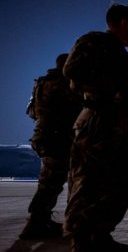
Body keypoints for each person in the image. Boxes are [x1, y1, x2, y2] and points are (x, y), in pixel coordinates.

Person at [63, 3, 128, 252]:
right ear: (124, 24)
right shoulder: (94, 43)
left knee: (122, 183)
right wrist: (120, 86)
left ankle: (101, 238)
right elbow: (73, 71)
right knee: (88, 185)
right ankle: (79, 250)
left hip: (121, 125)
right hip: (97, 122)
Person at [19, 53, 82, 239]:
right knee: (51, 183)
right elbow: (76, 110)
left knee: (49, 180)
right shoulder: (63, 84)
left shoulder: (42, 83)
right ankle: (35, 223)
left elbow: (32, 112)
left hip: (44, 135)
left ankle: (41, 219)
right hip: (57, 138)